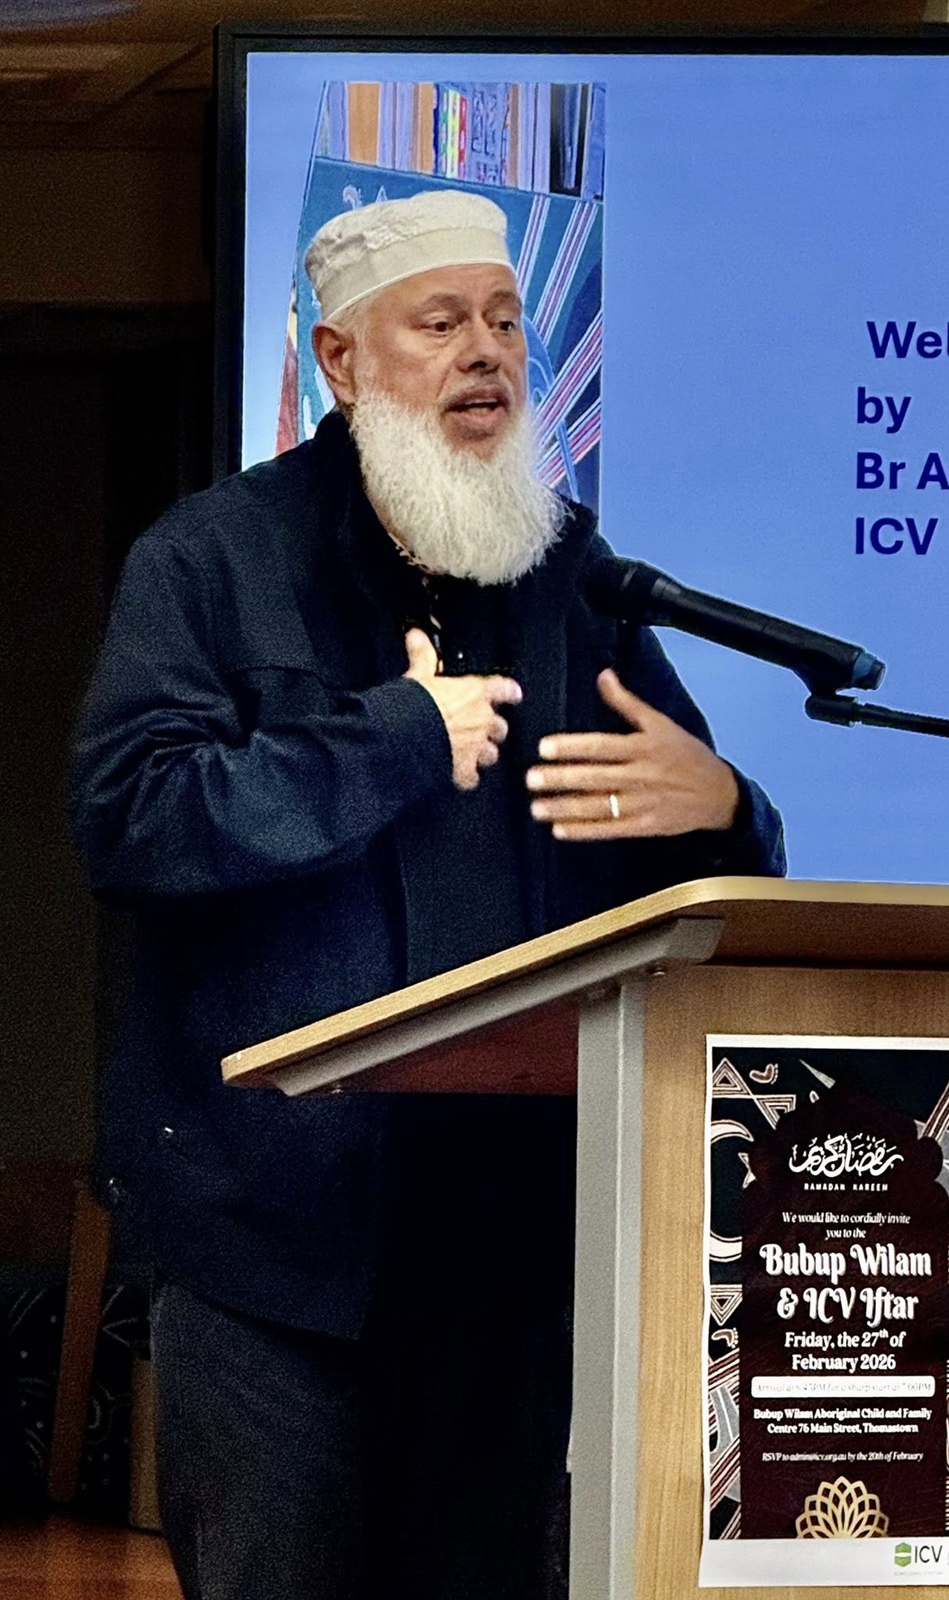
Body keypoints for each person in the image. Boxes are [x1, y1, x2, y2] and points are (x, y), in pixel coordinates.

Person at [71, 189, 784, 1600]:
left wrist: (724, 810)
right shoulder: (214, 561)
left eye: (506, 323)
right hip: (275, 1246)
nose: (488, 354)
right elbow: (135, 820)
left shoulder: (572, 575)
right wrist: (393, 738)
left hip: (510, 1243)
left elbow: (672, 866)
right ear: (341, 361)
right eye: (443, 322)